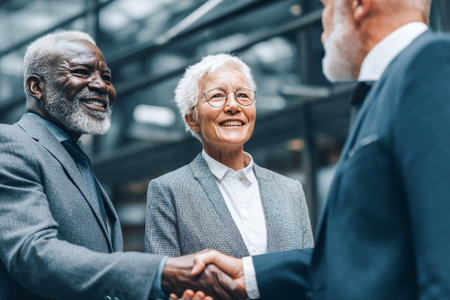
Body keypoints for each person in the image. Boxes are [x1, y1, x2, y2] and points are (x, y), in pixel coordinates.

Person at [191, 0, 450, 299]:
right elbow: (351, 260)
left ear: (358, 5)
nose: (322, 24)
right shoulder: (386, 89)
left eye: (326, 6)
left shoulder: (430, 63)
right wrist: (247, 273)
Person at [0, 31, 245, 300]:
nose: (102, 86)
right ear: (37, 87)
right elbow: (33, 255)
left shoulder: (74, 158)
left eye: (106, 77)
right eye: (82, 71)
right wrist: (159, 272)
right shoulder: (10, 143)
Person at [144, 54, 314, 260]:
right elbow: (166, 284)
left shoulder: (291, 190)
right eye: (217, 96)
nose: (234, 106)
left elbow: (308, 273)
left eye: (243, 95)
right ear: (192, 120)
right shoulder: (168, 191)